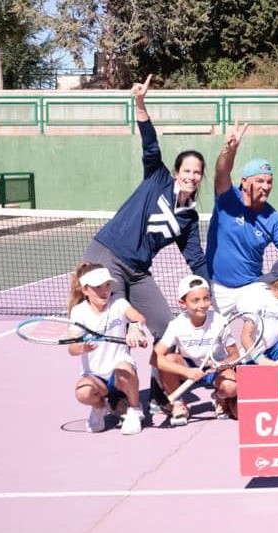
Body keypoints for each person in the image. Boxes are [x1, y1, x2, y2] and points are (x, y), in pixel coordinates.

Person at [81, 75, 208, 413]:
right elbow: (150, 144)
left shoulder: (189, 220)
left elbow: (197, 261)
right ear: (177, 170)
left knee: (167, 327)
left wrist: (213, 292)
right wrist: (140, 105)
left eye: (198, 172)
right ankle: (113, 396)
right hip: (106, 257)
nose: (192, 176)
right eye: (187, 169)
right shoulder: (157, 178)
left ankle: (159, 390)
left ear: (201, 179)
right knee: (117, 325)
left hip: (137, 271)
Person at [207, 118, 278, 316]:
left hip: (251, 287)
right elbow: (221, 172)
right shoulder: (227, 198)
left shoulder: (272, 218)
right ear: (245, 182)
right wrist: (229, 150)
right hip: (216, 287)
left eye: (269, 181)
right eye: (260, 181)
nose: (266, 186)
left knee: (269, 320)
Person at [67, 263, 147, 435]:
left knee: (124, 370)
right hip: (95, 376)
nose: (105, 291)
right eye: (98, 287)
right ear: (85, 289)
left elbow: (138, 317)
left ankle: (134, 410)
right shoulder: (79, 312)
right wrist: (82, 347)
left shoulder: (118, 302)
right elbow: (72, 348)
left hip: (119, 366)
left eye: (107, 285)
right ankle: (100, 407)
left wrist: (134, 328)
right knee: (83, 393)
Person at [153, 275, 237, 426]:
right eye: (195, 300)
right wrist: (186, 372)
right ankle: (179, 404)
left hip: (216, 366)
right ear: (182, 303)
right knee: (168, 360)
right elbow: (155, 358)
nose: (203, 304)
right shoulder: (176, 325)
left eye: (206, 298)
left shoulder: (220, 321)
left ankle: (219, 396)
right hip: (189, 365)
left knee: (231, 387)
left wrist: (221, 364)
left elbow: (234, 354)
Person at [234, 256, 278, 364]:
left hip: (275, 347)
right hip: (252, 352)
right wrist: (259, 359)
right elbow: (245, 337)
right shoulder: (256, 296)